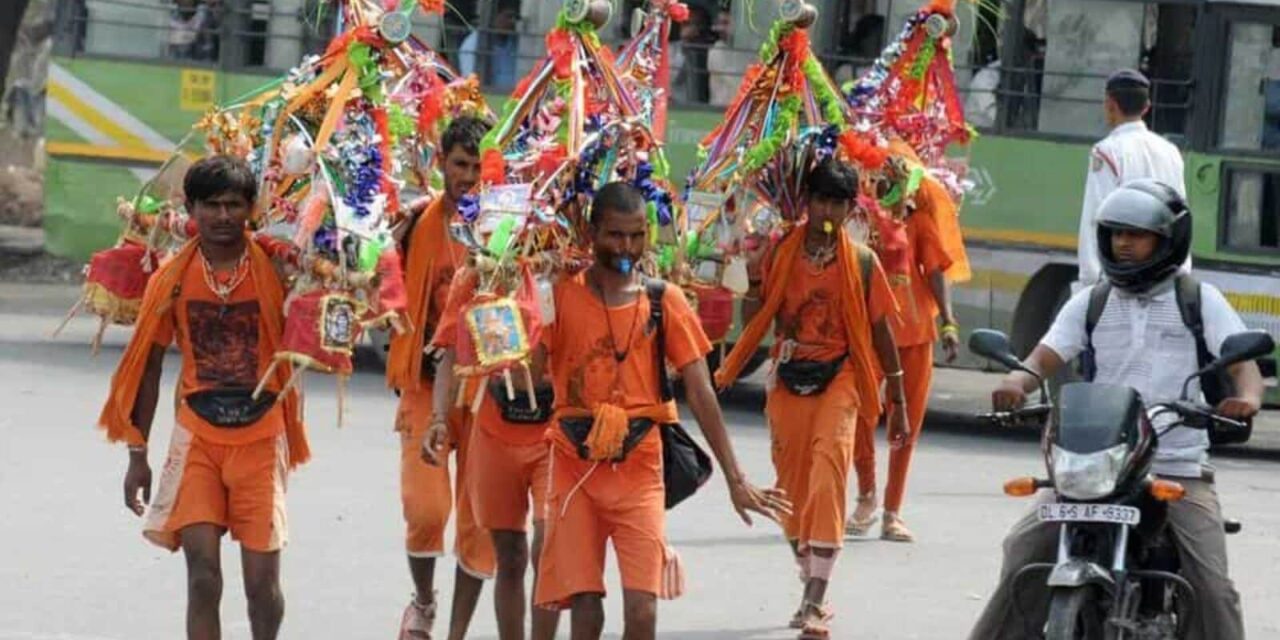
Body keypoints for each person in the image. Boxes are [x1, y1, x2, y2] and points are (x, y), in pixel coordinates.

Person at [968, 179, 1264, 640]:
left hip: (1176, 467)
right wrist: (1015, 381)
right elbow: (1043, 358)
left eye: (1136, 234)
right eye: (1115, 234)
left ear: (1167, 241)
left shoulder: (1199, 301)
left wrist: (1247, 399)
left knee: (1210, 586)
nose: (1123, 243)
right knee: (1023, 551)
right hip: (1097, 466)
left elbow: (1244, 368)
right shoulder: (1091, 301)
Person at [533, 182, 790, 640]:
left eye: (636, 235)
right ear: (593, 233)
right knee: (585, 606)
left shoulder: (662, 299)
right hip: (574, 466)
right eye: (614, 235)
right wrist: (523, 304)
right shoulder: (562, 295)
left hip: (640, 467)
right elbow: (533, 374)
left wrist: (735, 478)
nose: (626, 247)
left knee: (643, 612)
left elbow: (700, 390)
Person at [100, 155, 309, 639]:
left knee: (262, 588)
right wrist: (137, 454)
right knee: (203, 577)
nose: (221, 216)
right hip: (196, 439)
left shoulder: (277, 269)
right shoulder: (170, 278)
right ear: (190, 209)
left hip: (261, 438)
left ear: (250, 209)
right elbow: (146, 367)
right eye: (210, 205)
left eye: (233, 205)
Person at [721, 158, 910, 639]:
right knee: (792, 489)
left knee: (829, 471)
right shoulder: (781, 249)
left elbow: (881, 329)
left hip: (842, 375)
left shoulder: (862, 261)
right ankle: (810, 574)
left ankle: (814, 601)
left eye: (837, 203)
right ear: (806, 202)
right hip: (789, 373)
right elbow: (754, 314)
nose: (827, 210)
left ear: (850, 209)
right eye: (821, 199)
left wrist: (900, 399)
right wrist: (749, 269)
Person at [386, 116, 496, 640]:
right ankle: (424, 602)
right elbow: (377, 287)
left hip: (484, 394)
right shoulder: (413, 225)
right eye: (460, 165)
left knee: (480, 524)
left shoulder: (509, 229)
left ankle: (456, 631)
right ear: (440, 163)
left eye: (478, 166)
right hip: (425, 382)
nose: (469, 177)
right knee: (426, 509)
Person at [428, 268, 562, 640]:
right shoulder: (475, 278)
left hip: (553, 436)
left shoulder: (566, 274)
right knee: (511, 556)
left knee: (547, 545)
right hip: (494, 433)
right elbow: (451, 356)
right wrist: (438, 419)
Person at [847, 152, 962, 543]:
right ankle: (866, 495)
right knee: (860, 416)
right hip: (869, 332)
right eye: (879, 181)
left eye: (892, 181)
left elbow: (934, 273)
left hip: (915, 334)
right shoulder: (862, 223)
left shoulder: (919, 223)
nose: (885, 189)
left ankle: (892, 512)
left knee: (907, 424)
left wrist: (947, 322)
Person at [1077, 69, 1188, 290]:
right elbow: (1181, 215)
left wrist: (1090, 280)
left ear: (1110, 104)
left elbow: (1096, 217)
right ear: (1146, 107)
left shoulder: (1106, 152)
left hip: (1121, 277)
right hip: (1165, 275)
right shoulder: (1170, 151)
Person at [706, 9, 754, 107]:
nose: (719, 28)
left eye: (726, 23)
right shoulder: (716, 51)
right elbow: (738, 86)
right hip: (720, 111)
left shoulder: (751, 48)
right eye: (719, 23)